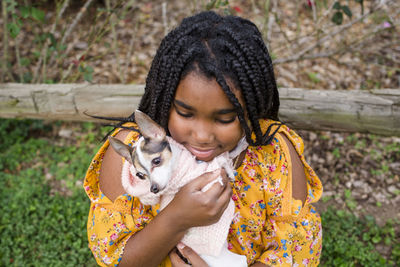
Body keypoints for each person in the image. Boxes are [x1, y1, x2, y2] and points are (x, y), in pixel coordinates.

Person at [84, 11, 323, 267]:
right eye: (185, 113)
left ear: (250, 107)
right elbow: (117, 259)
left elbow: (295, 254)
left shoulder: (273, 153)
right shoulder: (136, 155)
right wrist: (177, 218)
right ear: (166, 98)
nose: (201, 136)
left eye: (225, 119)